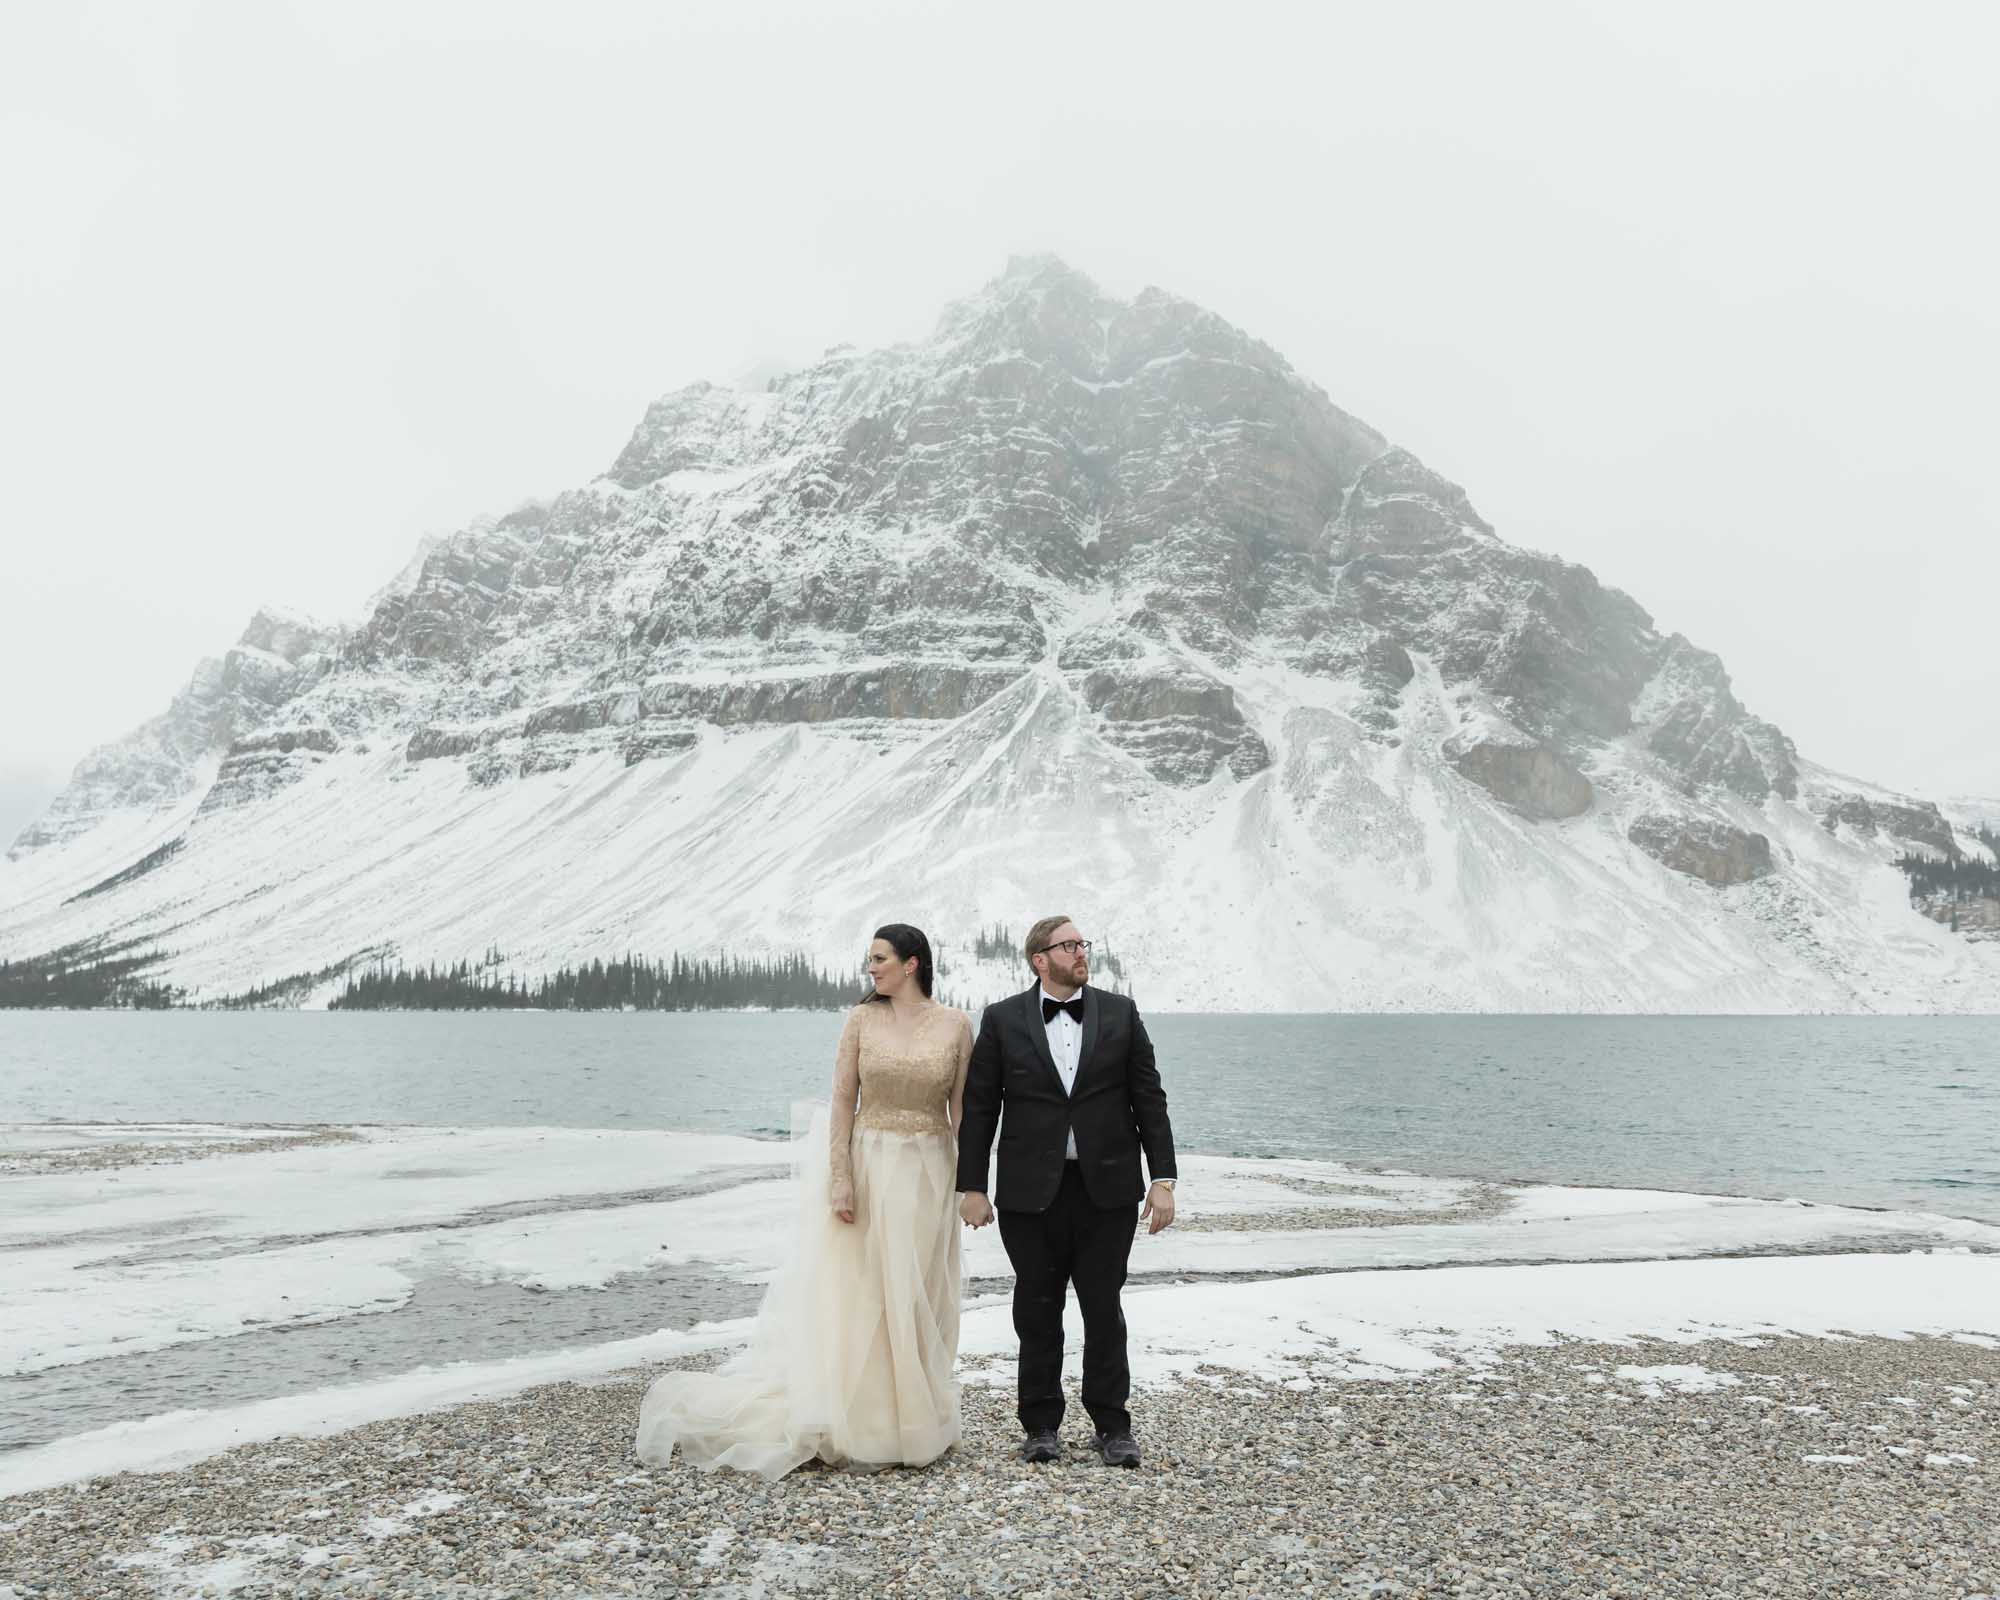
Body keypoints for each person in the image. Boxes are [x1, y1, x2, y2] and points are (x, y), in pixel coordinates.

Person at [634, 924, 973, 1479]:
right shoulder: (861, 1020)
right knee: (865, 1294)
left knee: (918, 1293)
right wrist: (841, 1177)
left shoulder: (957, 1025)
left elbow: (963, 1109)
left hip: (931, 1170)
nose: (871, 968)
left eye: (880, 959)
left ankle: (917, 1417)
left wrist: (972, 1183)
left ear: (913, 964)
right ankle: (862, 1421)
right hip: (868, 1164)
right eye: (870, 959)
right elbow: (842, 1102)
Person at [955, 915, 1176, 1468]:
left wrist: (1163, 1179)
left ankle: (1112, 1425)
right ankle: (1040, 1426)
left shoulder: (1120, 1012)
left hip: (1108, 1191)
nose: (1082, 953)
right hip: (1030, 1194)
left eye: (1083, 944)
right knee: (1036, 1309)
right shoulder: (1003, 1019)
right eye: (1070, 945)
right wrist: (972, 1186)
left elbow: (1149, 1097)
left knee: (1104, 1309)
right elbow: (981, 1108)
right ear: (1040, 959)